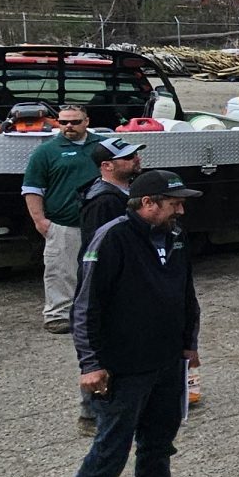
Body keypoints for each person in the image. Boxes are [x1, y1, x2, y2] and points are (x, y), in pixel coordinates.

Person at [51, 169, 208, 477]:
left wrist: (189, 343)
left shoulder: (174, 236)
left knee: (159, 444)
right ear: (148, 203)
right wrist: (90, 364)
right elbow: (85, 307)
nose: (182, 210)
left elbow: (184, 292)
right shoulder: (113, 238)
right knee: (110, 452)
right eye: (174, 203)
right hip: (124, 367)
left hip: (165, 362)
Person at [71, 134, 147, 436]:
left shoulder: (119, 193)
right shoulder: (103, 201)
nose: (136, 160)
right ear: (106, 166)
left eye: (135, 155)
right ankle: (91, 415)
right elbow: (99, 251)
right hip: (106, 287)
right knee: (103, 347)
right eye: (128, 158)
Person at [21, 102, 101, 332]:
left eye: (75, 122)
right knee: (61, 271)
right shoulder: (46, 151)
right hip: (64, 223)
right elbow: (32, 189)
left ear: (86, 122)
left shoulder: (104, 146)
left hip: (99, 224)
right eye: (63, 122)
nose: (68, 126)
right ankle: (58, 315)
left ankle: (99, 313)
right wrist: (40, 220)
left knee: (101, 270)